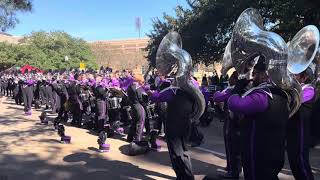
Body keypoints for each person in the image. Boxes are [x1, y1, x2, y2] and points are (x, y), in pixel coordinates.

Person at [227, 56, 289, 180]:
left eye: (255, 74)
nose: (252, 77)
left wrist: (238, 86)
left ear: (264, 75)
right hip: (275, 151)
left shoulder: (262, 96)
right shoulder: (282, 94)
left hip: (258, 154)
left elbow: (234, 103)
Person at [149, 82, 197, 180]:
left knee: (176, 152)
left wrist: (150, 93)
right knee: (183, 150)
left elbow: (156, 97)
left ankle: (185, 177)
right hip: (186, 123)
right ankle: (186, 176)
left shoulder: (173, 90)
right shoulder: (192, 91)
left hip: (174, 124)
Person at [286, 65, 315, 180]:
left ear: (304, 77)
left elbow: (296, 100)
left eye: (296, 75)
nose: (293, 77)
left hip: (301, 131)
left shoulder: (309, 90)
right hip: (292, 130)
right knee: (294, 162)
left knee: (301, 162)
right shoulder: (296, 89)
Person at [212, 71, 241, 179]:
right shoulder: (246, 88)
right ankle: (236, 168)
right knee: (238, 147)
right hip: (241, 122)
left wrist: (218, 92)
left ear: (235, 79)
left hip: (231, 120)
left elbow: (217, 98)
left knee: (230, 146)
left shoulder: (231, 89)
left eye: (231, 77)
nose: (229, 79)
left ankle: (231, 171)